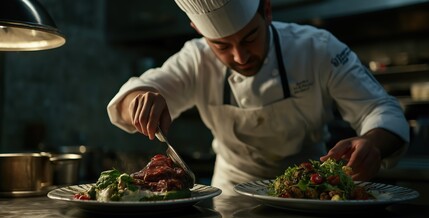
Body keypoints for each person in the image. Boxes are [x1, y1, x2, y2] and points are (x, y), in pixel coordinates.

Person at [107, 0, 409, 195]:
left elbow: (381, 108)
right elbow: (134, 94)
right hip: (229, 199)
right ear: (198, 30)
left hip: (313, 195)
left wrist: (372, 143)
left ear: (266, 10)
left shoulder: (316, 49)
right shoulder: (195, 60)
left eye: (249, 37)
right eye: (221, 46)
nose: (239, 56)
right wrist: (140, 100)